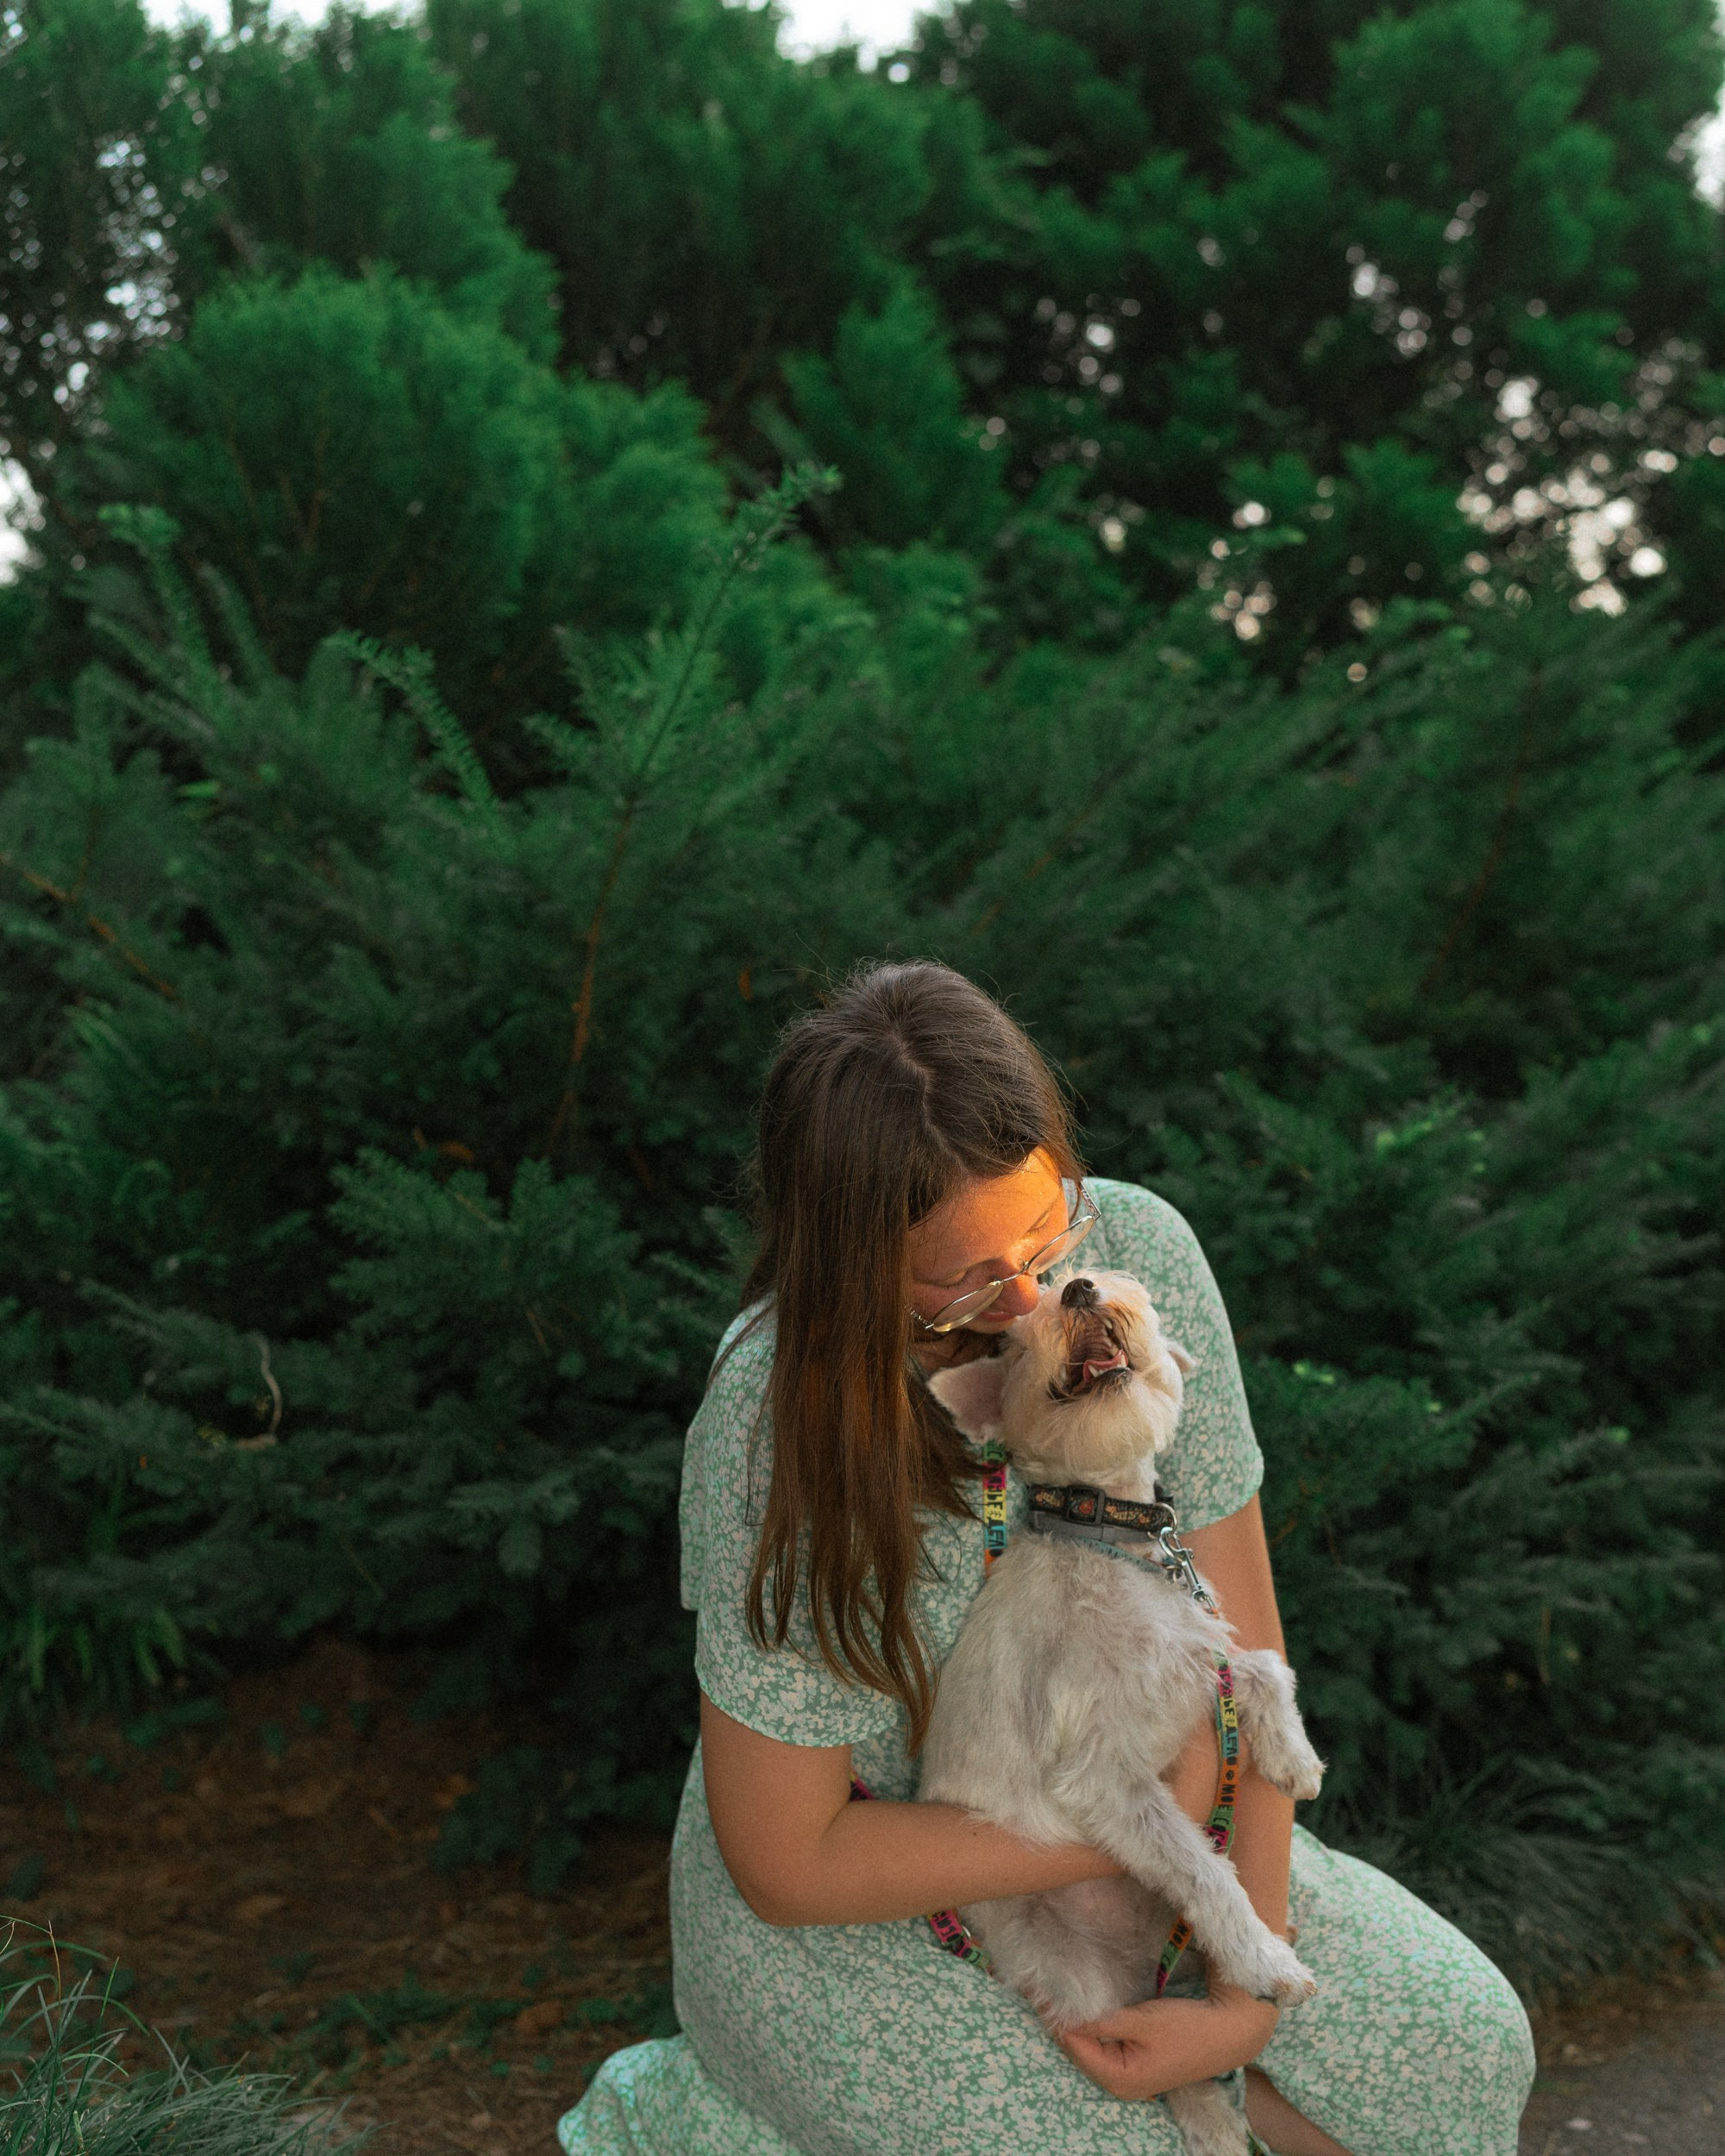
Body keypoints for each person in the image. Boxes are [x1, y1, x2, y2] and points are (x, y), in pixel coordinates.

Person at [558, 962, 1534, 2156]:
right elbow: (788, 1860)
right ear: (852, 1262)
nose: (1030, 1299)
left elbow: (1244, 1643)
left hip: (1156, 1841)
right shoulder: (774, 1429)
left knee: (1463, 2043)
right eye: (968, 1277)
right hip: (867, 1897)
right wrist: (1132, 1825)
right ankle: (701, 2120)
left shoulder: (1136, 1255)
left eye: (1045, 1225)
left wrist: (1239, 1993)